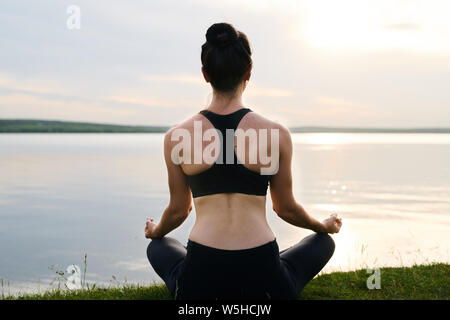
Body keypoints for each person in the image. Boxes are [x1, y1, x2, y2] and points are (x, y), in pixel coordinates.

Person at [145, 22, 342, 300]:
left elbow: (179, 211)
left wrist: (155, 230)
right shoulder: (276, 134)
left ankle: (188, 287)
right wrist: (323, 226)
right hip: (262, 270)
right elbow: (285, 209)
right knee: (323, 244)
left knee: (157, 246)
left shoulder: (176, 136)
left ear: (205, 74)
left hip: (203, 269)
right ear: (249, 71)